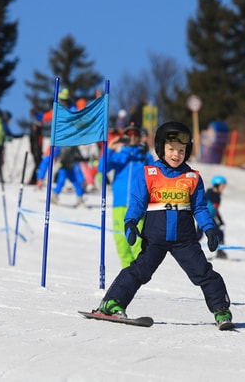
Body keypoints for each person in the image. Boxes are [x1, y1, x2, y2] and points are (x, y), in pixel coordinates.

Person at [94, 121, 233, 330]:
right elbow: (138, 203)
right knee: (139, 271)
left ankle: (221, 310)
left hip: (184, 240)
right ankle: (112, 303)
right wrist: (130, 223)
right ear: (161, 148)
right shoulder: (150, 173)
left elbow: (200, 208)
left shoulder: (192, 177)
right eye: (171, 150)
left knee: (203, 272)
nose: (176, 154)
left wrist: (209, 228)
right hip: (155, 238)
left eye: (181, 150)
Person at [102, 122, 153, 267]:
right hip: (119, 204)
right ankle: (127, 274)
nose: (132, 137)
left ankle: (141, 272)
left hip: (137, 206)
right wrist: (110, 150)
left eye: (135, 134)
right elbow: (102, 168)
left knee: (136, 240)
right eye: (128, 134)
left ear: (139, 137)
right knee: (121, 241)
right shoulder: (119, 155)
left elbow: (154, 176)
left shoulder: (145, 156)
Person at [198, 175, 228, 259]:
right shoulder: (209, 194)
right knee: (198, 236)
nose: (223, 188)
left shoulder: (217, 196)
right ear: (216, 185)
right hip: (204, 218)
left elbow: (215, 210)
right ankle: (186, 249)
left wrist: (220, 220)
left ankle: (220, 251)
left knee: (219, 233)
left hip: (210, 218)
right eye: (222, 186)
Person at [28, 110, 44, 185]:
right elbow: (34, 141)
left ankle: (35, 179)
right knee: (38, 163)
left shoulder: (38, 129)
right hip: (36, 149)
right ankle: (34, 179)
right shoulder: (35, 128)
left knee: (39, 163)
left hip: (38, 149)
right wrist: (36, 150)